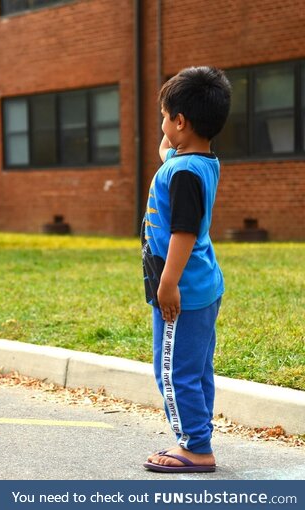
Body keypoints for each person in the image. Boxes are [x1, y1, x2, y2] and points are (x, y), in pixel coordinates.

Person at [141, 67, 231, 473]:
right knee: (195, 369)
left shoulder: (182, 174)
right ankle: (198, 436)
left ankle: (196, 449)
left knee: (174, 375)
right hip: (203, 285)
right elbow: (167, 150)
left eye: (165, 116)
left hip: (184, 291)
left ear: (181, 122)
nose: (162, 125)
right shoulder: (197, 161)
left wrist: (168, 284)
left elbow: (184, 231)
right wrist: (173, 119)